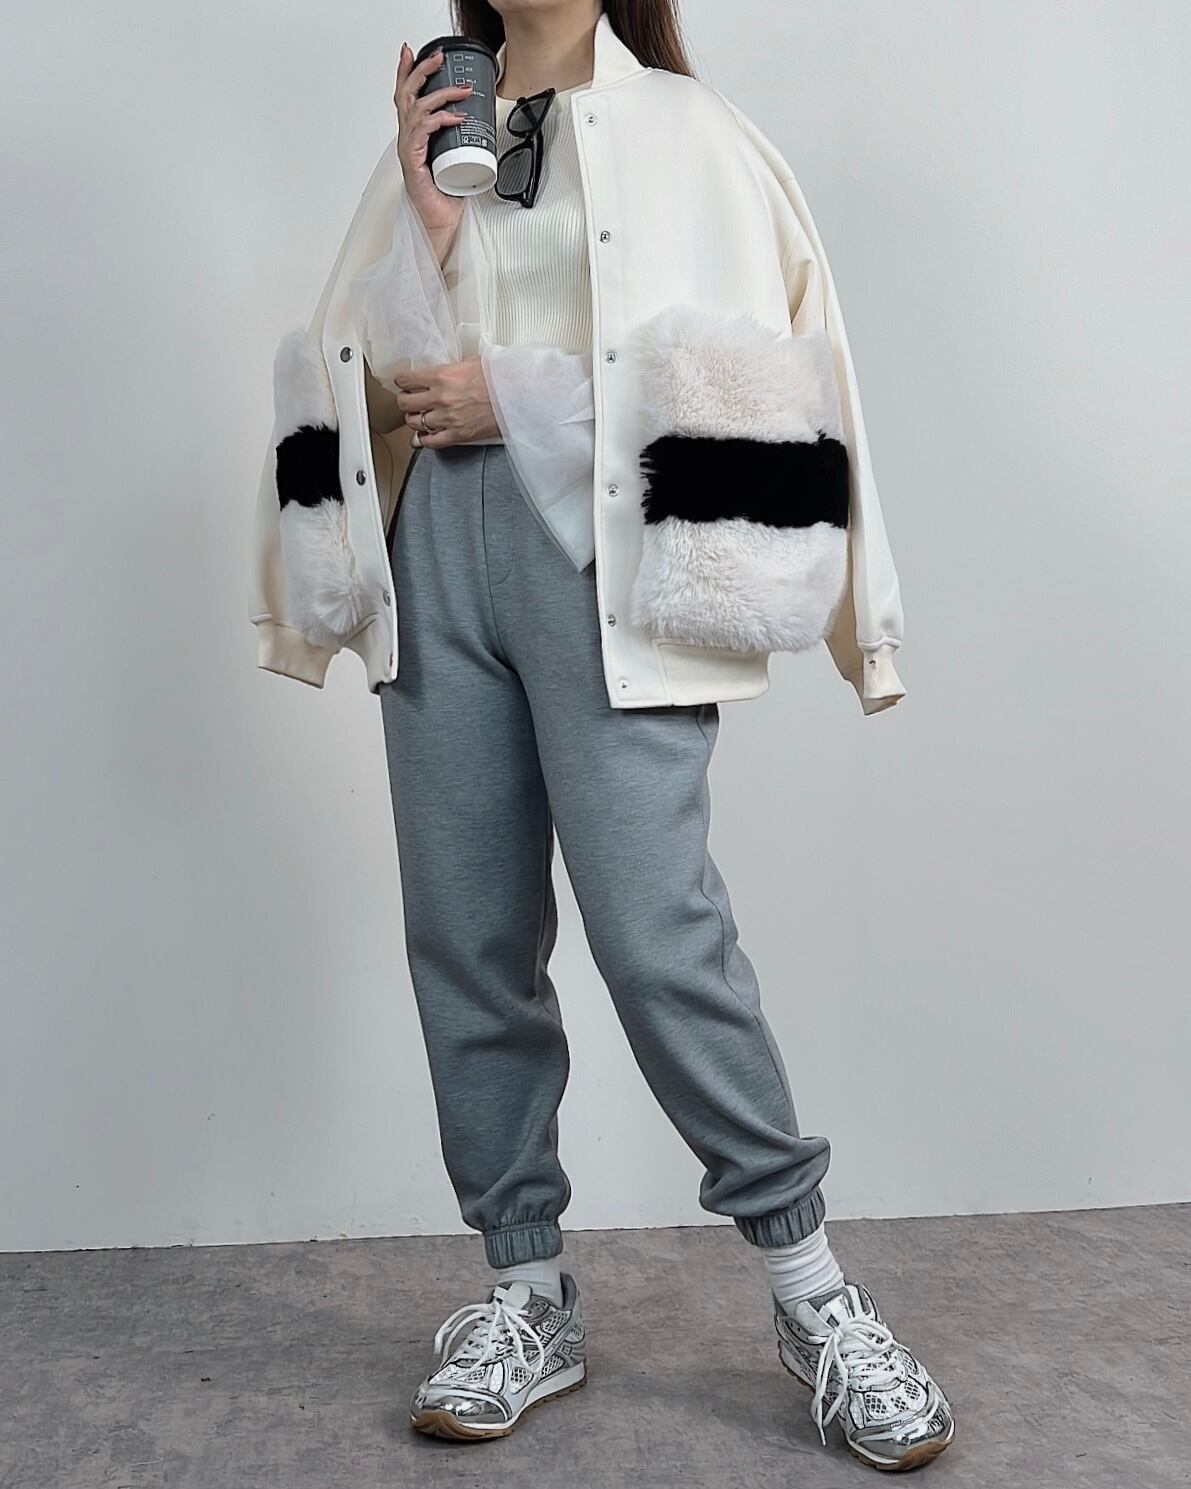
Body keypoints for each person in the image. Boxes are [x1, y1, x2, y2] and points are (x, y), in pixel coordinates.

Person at [255, 0, 952, 1470]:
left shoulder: (699, 137)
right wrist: (426, 216)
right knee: (465, 928)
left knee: (657, 933)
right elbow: (367, 375)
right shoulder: (431, 131)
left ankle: (813, 1290)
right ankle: (527, 1288)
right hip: (436, 557)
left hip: (611, 571)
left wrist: (516, 395)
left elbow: (775, 369)